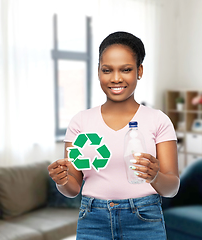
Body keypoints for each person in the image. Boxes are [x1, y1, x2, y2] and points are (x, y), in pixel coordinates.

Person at [48, 31, 179, 240]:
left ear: (139, 71)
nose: (116, 78)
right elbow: (73, 188)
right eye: (107, 70)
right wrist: (61, 180)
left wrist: (155, 176)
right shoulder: (80, 122)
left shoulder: (159, 120)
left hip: (144, 218)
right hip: (93, 220)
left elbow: (172, 187)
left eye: (126, 69)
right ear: (99, 72)